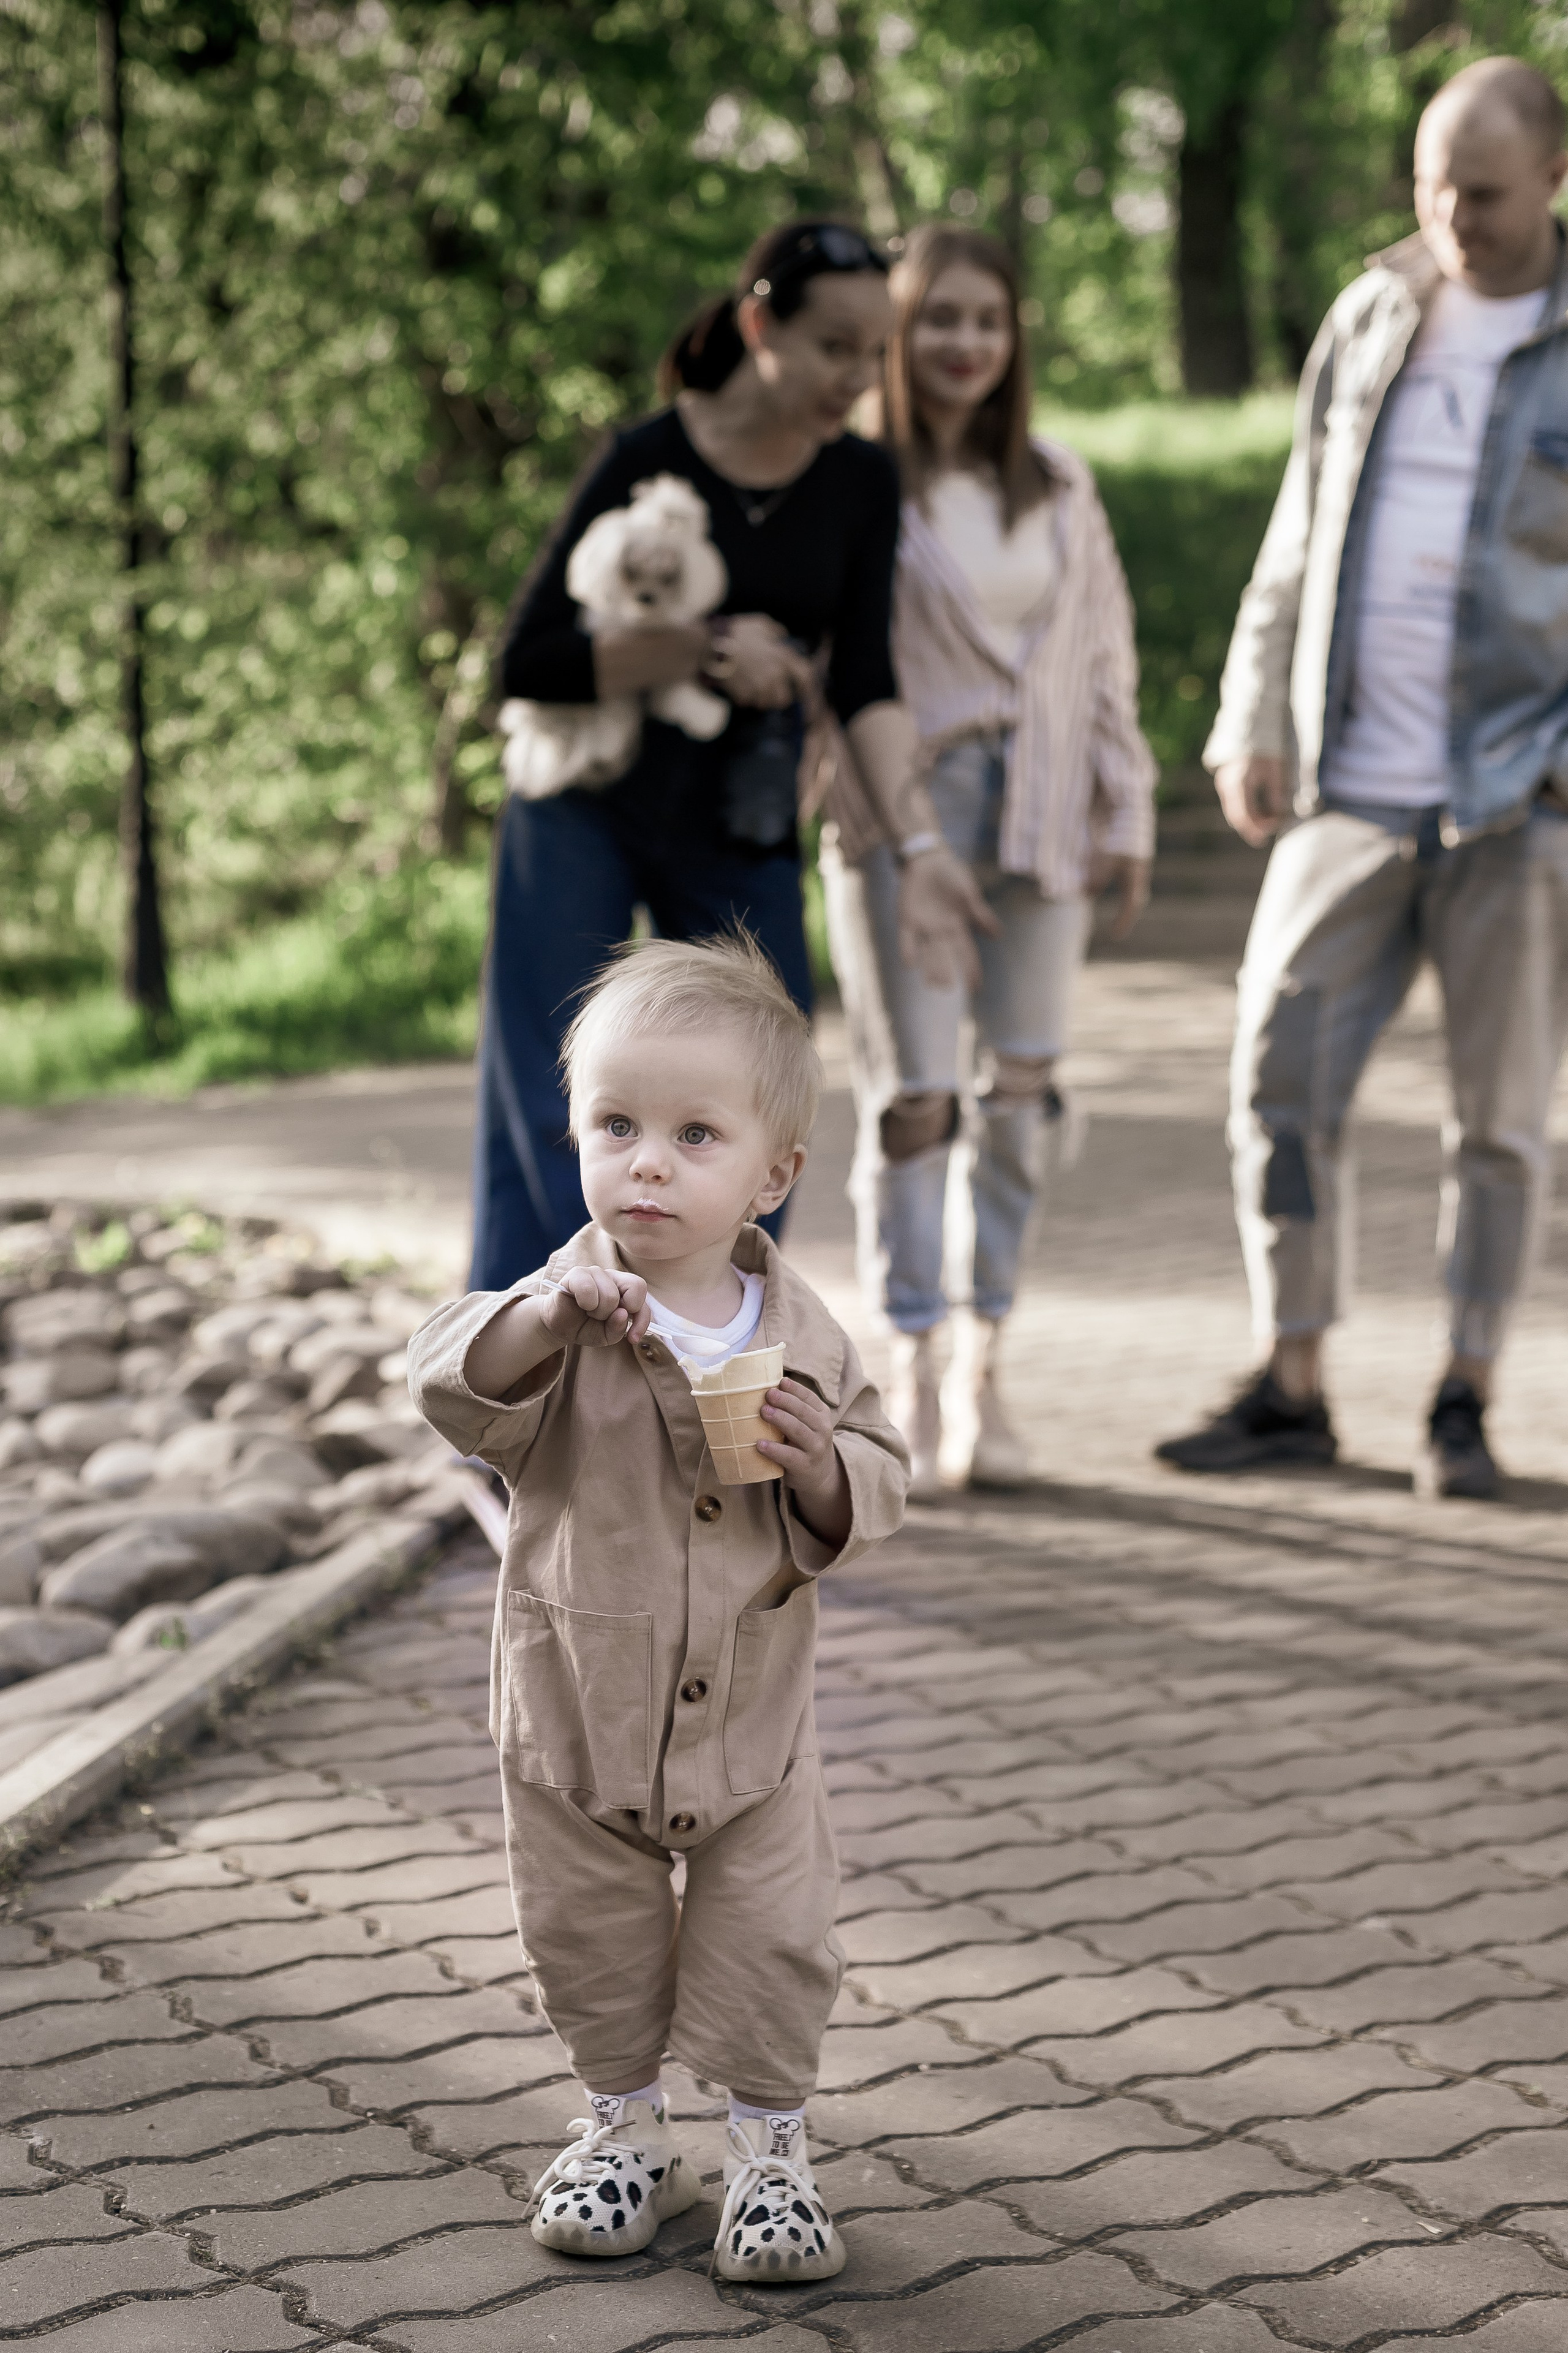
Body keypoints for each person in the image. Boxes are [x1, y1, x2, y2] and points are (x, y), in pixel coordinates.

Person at [409, 934, 908, 2283]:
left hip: (752, 1725)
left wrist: (823, 1466)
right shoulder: (563, 1312)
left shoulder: (799, 1334)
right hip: (578, 1717)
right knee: (586, 1934)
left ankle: (766, 2142)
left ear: (773, 1173)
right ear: (572, 1136)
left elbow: (880, 1473)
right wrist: (544, 1319)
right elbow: (450, 1376)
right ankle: (624, 2123)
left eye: (694, 1134)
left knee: (771, 1939)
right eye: (616, 1125)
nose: (647, 1161)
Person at [1157, 57, 1568, 1499]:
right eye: (1429, 185)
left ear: (1554, 181)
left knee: (1498, 1122)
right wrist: (1247, 712)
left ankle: (1461, 1395)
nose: (1450, 217)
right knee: (1273, 1078)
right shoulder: (1371, 309)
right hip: (1348, 786)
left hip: (1518, 804)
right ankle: (1294, 1381)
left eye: (1483, 194)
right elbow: (1297, 528)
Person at [473, 216, 990, 1291]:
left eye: (872, 352)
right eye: (834, 347)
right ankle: (520, 1393)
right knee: (550, 1095)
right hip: (588, 803)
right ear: (761, 324)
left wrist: (923, 846)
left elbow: (866, 683)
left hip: (740, 822)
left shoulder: (860, 481)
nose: (858, 376)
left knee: (759, 1091)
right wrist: (703, 647)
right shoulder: (647, 456)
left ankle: (711, 1358)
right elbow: (528, 660)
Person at [822, 224, 1156, 1496]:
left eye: (986, 320)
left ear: (1013, 340)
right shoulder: (858, 483)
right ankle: (904, 1360)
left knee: (1021, 1094)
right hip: (906, 812)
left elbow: (1104, 654)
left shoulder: (1061, 483)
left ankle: (986, 1367)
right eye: (938, 320)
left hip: (1048, 810)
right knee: (917, 1095)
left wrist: (1123, 809)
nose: (964, 342)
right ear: (896, 339)